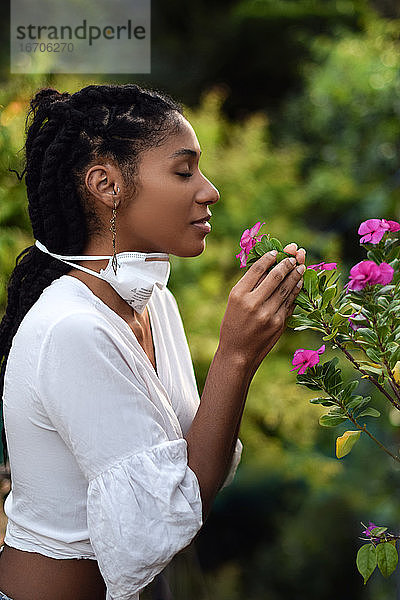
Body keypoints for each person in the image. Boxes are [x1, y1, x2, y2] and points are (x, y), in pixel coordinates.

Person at [0, 83, 306, 600]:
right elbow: (165, 519)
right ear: (106, 184)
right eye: (184, 171)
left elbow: (190, 471)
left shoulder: (151, 301)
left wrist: (241, 353)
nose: (209, 190)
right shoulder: (72, 327)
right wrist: (235, 356)